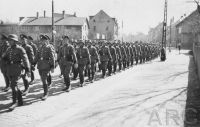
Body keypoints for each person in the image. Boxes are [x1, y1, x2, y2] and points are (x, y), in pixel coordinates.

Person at [2, 34, 30, 110]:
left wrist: (27, 70)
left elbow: (25, 59)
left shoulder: (20, 49)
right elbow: (4, 57)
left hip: (17, 69)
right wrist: (5, 59)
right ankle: (20, 101)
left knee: (13, 86)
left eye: (11, 40)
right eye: (9, 40)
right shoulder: (8, 49)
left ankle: (14, 102)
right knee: (15, 85)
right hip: (10, 69)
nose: (9, 42)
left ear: (15, 41)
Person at [34, 34, 55, 100]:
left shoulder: (49, 47)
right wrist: (33, 63)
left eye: (43, 40)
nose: (41, 41)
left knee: (44, 79)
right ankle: (45, 92)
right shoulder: (39, 47)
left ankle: (45, 94)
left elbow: (52, 57)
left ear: (46, 41)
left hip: (46, 65)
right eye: (41, 40)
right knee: (42, 79)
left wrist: (52, 66)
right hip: (40, 66)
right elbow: (37, 56)